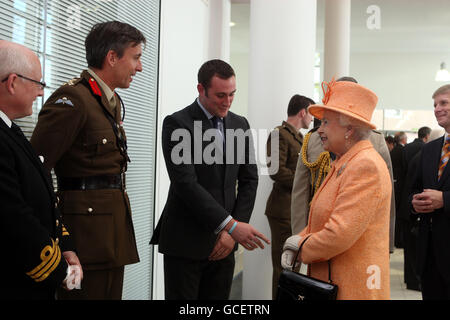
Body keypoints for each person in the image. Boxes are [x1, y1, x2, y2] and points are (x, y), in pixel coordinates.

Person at [30, 21, 145, 300]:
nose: (139, 67)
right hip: (84, 239)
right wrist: (55, 236)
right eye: (136, 57)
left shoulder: (108, 100)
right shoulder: (73, 98)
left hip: (111, 235)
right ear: (112, 57)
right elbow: (35, 171)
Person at [150, 59, 270, 300]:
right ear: (200, 89)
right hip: (186, 241)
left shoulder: (240, 124)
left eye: (232, 94)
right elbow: (186, 184)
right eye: (220, 95)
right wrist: (231, 226)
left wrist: (230, 232)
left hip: (225, 245)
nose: (227, 102)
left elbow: (249, 180)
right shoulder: (177, 124)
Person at [282, 79, 392, 299]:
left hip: (353, 285)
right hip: (334, 279)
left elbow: (339, 233)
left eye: (325, 123)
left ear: (349, 129)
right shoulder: (346, 161)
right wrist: (302, 236)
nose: (319, 130)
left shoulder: (364, 165)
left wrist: (300, 245)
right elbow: (321, 217)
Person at [0, 40, 82, 299]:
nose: (40, 93)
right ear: (13, 82)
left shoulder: (11, 129)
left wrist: (65, 245)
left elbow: (42, 198)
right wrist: (59, 271)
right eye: (38, 83)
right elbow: (12, 216)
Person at [264, 94, 314, 298]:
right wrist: (304, 182)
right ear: (302, 112)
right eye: (310, 113)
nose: (312, 119)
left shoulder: (300, 137)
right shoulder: (279, 135)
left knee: (293, 267)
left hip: (294, 210)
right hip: (282, 210)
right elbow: (276, 170)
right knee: (283, 267)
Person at [411, 84, 450, 299]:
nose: (437, 108)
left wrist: (444, 199)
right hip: (430, 257)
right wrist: (414, 203)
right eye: (435, 104)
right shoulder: (429, 149)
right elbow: (413, 190)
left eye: (444, 103)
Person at [398, 127, 430, 291]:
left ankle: (410, 280)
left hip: (406, 204)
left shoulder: (407, 149)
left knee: (409, 249)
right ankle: (416, 281)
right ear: (427, 137)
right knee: (416, 249)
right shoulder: (427, 153)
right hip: (416, 206)